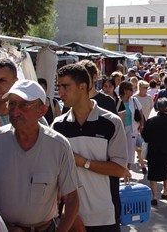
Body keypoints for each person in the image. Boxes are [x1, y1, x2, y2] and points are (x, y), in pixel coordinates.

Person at [0, 79, 80, 232]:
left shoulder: (58, 145)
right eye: (12, 104)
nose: (15, 112)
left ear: (42, 110)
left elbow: (71, 199)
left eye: (24, 105)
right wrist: (3, 227)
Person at [52, 64, 130, 232]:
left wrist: (83, 162)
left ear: (82, 87)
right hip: (71, 219)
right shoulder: (58, 126)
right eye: (59, 87)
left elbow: (119, 169)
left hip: (105, 217)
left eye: (65, 86)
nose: (61, 92)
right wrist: (68, 213)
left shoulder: (111, 123)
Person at [118, 81, 146, 172]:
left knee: (130, 152)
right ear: (125, 90)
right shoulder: (117, 101)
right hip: (120, 129)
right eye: (131, 89)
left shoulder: (134, 100)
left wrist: (141, 125)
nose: (133, 91)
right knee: (120, 151)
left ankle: (127, 172)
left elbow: (141, 114)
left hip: (132, 128)